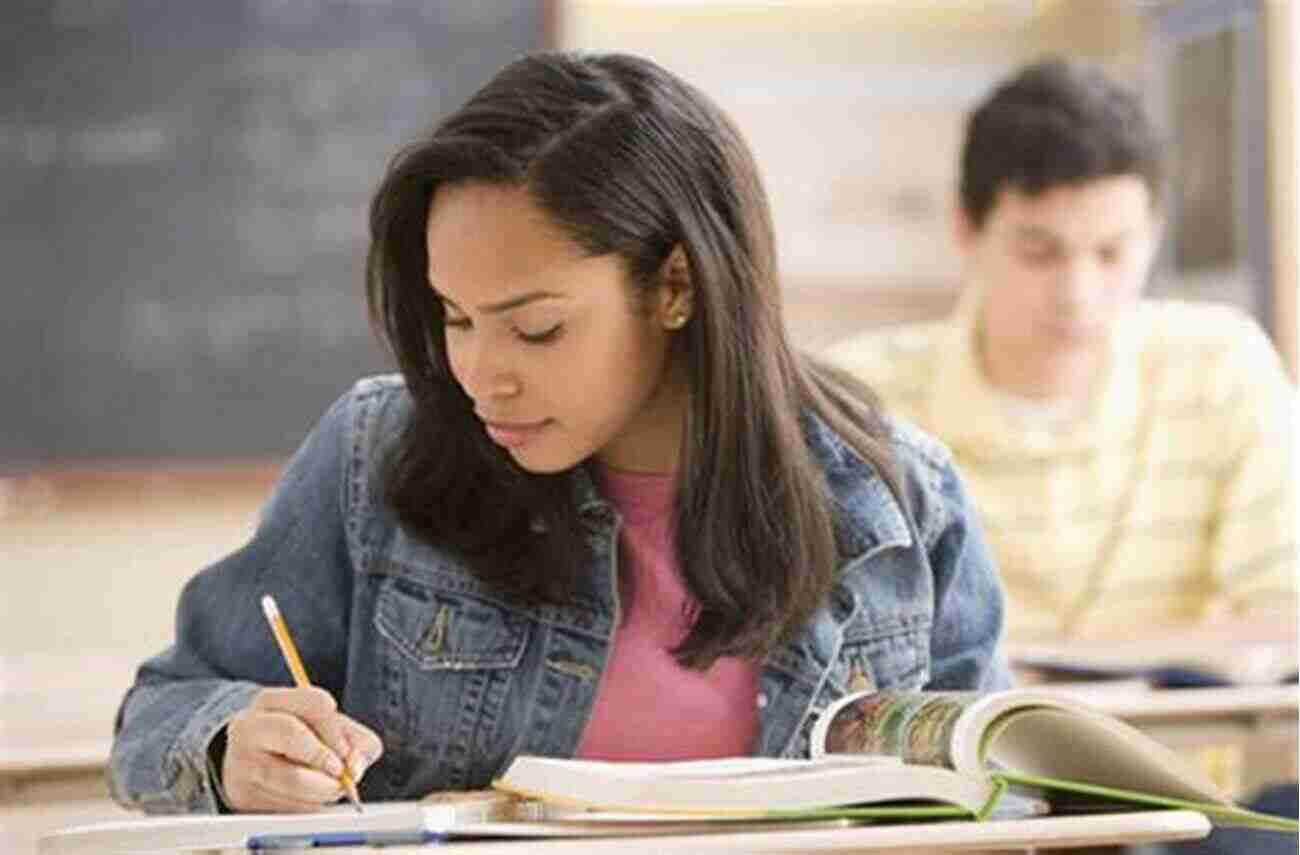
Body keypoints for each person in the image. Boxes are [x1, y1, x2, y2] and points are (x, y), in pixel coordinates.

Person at [108, 51, 1009, 815]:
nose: (479, 374)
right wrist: (230, 746)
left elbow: (999, 790)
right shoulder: (373, 455)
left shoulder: (895, 499)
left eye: (535, 328)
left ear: (676, 288)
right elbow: (159, 712)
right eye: (455, 318)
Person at [828, 57, 1296, 648]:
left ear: (1153, 233)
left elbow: (1286, 621)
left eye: (1111, 252)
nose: (1079, 294)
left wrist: (1049, 676)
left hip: (1176, 744)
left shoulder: (1223, 367)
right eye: (1039, 252)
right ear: (966, 229)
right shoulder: (862, 397)